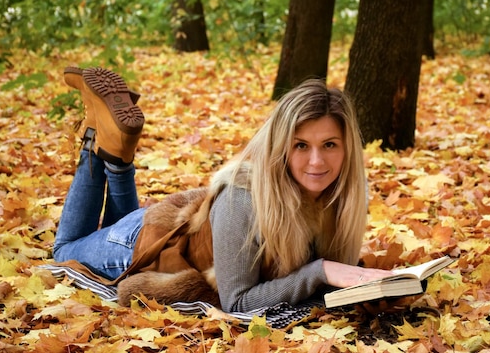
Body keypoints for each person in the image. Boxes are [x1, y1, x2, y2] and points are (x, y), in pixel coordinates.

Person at [53, 67, 393, 313]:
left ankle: (116, 152)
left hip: (183, 218)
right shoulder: (242, 199)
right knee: (63, 250)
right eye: (301, 145)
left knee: (113, 219)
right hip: (144, 243)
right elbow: (237, 302)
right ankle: (94, 144)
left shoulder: (345, 194)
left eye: (329, 144)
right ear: (280, 147)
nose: (317, 161)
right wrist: (319, 272)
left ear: (348, 147)